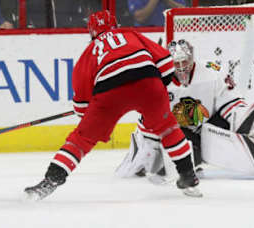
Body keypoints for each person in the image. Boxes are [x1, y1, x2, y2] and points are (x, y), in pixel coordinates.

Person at [24, 10, 202, 200]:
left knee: (80, 140)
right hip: (148, 82)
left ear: (92, 32)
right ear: (115, 25)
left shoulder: (89, 51)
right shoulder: (131, 34)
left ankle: (49, 182)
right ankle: (188, 176)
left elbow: (82, 105)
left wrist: (91, 112)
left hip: (109, 92)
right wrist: (157, 86)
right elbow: (166, 64)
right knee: (168, 129)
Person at [115, 39, 254, 181]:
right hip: (179, 135)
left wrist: (245, 118)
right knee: (169, 159)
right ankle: (188, 163)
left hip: (211, 125)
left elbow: (231, 103)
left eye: (184, 62)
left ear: (192, 58)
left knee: (232, 134)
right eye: (176, 64)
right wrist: (147, 155)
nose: (181, 68)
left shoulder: (212, 72)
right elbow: (149, 122)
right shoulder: (157, 80)